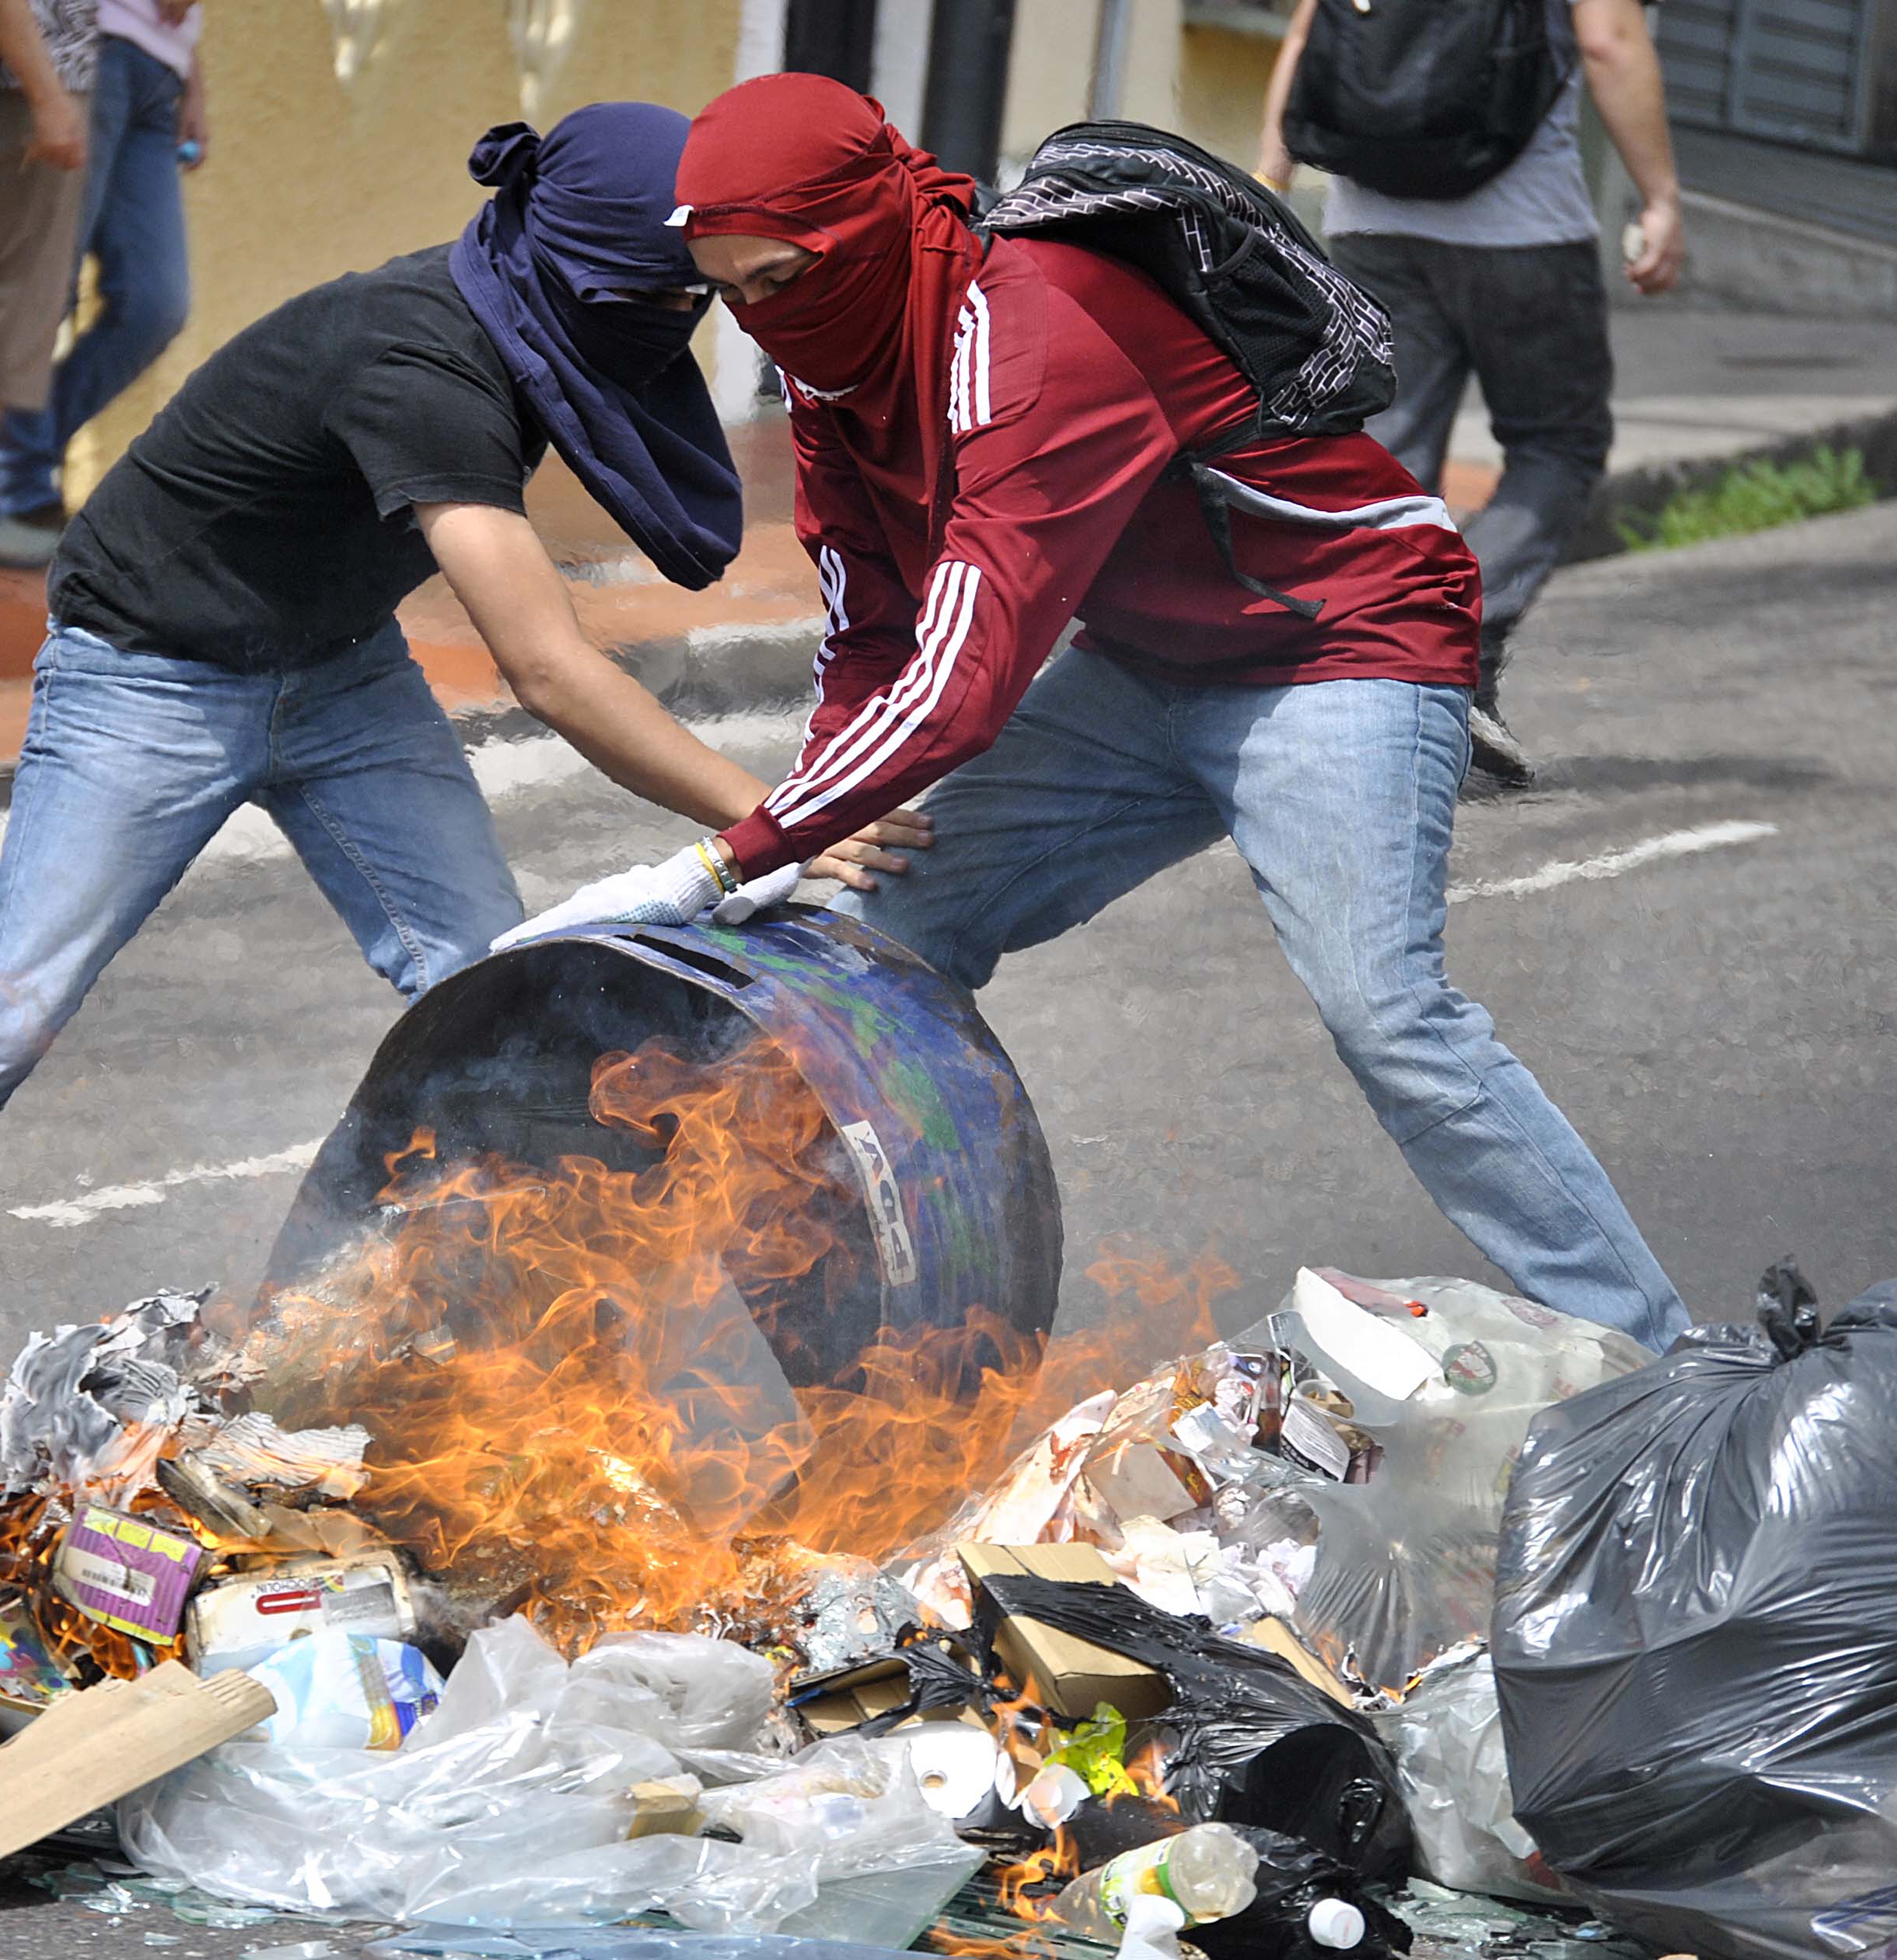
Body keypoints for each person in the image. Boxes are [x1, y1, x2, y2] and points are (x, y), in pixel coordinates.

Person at [507, 75, 1686, 1350]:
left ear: (863, 225)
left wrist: (718, 860)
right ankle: (890, 1370)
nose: (762, 320)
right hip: (1145, 670)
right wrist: (822, 826)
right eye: (730, 293)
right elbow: (870, 636)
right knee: (866, 928)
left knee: (1386, 1013)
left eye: (782, 278)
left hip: (1342, 645)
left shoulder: (1037, 329)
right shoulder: (836, 371)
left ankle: (1661, 1356)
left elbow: (963, 682)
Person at [0, 102, 928, 1285]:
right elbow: (546, 669)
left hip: (341, 671)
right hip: (147, 675)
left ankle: (384, 1339)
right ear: (582, 269)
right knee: (10, 1008)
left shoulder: (533, 319)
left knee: (488, 990)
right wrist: (777, 825)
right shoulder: (419, 358)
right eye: (662, 296)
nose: (684, 323)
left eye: (703, 296)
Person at [1258, 0, 1687, 784]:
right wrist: (1658, 197)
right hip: (1521, 232)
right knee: (1558, 444)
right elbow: (1608, 42)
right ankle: (1461, 646)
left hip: (1369, 219)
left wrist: (1268, 178)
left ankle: (1381, 687)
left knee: (1385, 469)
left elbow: (1304, 32)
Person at [0, 0, 211, 569]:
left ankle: (18, 464)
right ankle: (8, 488)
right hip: (95, 50)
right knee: (41, 287)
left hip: (158, 68)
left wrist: (191, 80)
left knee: (156, 304)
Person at [0, 0, 100, 570]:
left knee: (18, 294)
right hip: (33, 81)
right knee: (16, 293)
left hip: (42, 78)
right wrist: (48, 97)